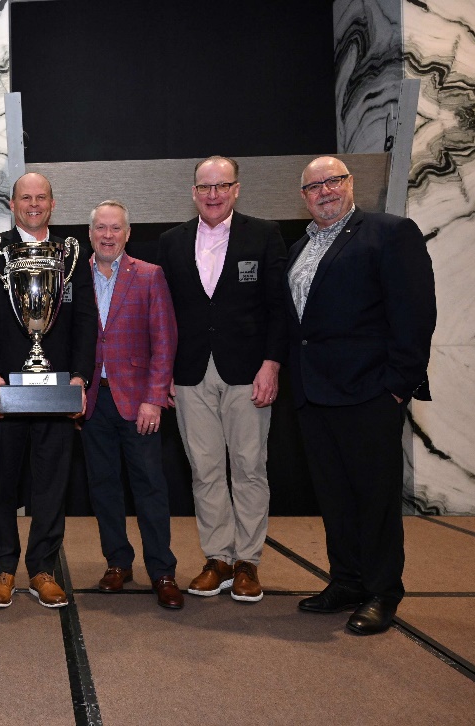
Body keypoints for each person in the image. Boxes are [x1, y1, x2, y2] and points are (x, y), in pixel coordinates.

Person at [287, 156, 435, 635]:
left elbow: (415, 316)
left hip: (369, 393)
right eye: (314, 186)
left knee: (375, 498)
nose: (324, 191)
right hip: (315, 396)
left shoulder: (390, 233)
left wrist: (397, 387)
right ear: (304, 196)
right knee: (334, 497)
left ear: (350, 184)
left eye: (334, 180)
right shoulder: (298, 248)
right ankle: (346, 581)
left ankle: (382, 592)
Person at [156, 156, 287, 603]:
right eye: (204, 187)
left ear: (236, 189)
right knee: (205, 469)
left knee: (250, 467)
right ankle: (218, 558)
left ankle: (249, 560)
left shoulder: (264, 235)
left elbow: (279, 308)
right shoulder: (171, 242)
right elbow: (164, 315)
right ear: (193, 192)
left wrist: (272, 363)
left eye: (222, 186)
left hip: (248, 373)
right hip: (190, 373)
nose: (213, 195)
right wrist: (165, 372)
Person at [0, 172, 98, 609]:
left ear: (53, 204)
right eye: (26, 197)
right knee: (1, 483)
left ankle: (42, 568)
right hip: (4, 391)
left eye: (41, 197)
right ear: (12, 203)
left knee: (51, 484)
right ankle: (2, 570)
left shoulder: (74, 252)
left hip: (56, 390)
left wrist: (80, 376)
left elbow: (84, 319)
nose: (34, 204)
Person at [81, 200, 182, 609]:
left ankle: (162, 570)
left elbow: (165, 342)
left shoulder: (150, 276)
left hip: (138, 401)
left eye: (115, 229)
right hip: (90, 402)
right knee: (103, 487)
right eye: (101, 228)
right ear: (90, 234)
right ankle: (117, 563)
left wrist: (154, 399)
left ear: (127, 233)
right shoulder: (72, 278)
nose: (108, 235)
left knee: (150, 488)